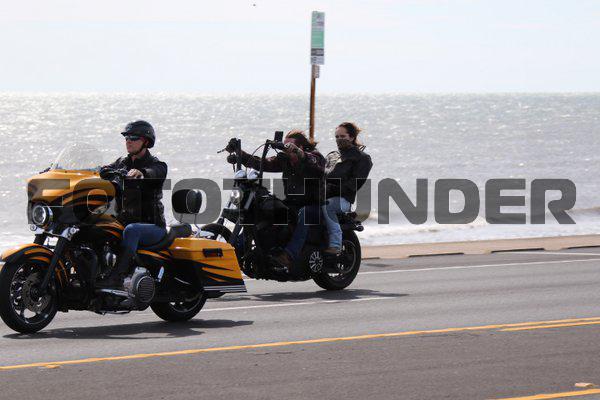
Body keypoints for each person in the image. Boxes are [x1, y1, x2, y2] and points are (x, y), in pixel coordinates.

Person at [226, 130, 326, 269]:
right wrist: (240, 154)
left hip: (314, 206)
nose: (286, 149)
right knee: (267, 208)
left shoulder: (315, 157)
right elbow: (263, 163)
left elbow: (312, 162)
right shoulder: (285, 160)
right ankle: (247, 248)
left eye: (289, 146)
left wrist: (297, 151)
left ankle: (289, 255)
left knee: (304, 214)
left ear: (301, 147)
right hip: (291, 203)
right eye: (284, 146)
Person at [97, 120, 168, 287]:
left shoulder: (157, 165)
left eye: (134, 138)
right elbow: (103, 169)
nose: (128, 141)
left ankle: (117, 278)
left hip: (153, 226)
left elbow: (155, 172)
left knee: (131, 230)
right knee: (97, 226)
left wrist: (142, 173)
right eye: (127, 138)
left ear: (146, 142)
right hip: (124, 220)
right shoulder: (122, 162)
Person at [323, 122, 372, 255]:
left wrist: (332, 189)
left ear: (351, 137)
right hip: (323, 195)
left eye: (342, 136)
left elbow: (355, 183)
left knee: (327, 206)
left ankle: (335, 244)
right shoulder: (332, 155)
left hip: (343, 199)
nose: (339, 139)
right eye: (337, 137)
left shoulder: (362, 158)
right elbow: (320, 174)